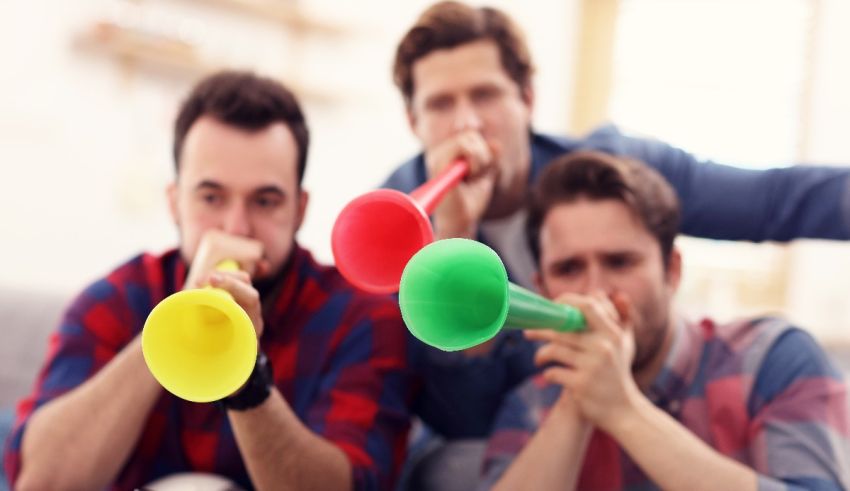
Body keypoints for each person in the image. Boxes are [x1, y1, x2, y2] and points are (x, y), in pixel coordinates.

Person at [383, 0, 850, 440]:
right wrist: (453, 235)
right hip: (524, 434)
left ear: (527, 99)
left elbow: (773, 202)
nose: (467, 124)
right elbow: (466, 421)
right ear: (412, 123)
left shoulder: (613, 166)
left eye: (485, 95)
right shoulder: (394, 227)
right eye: (440, 105)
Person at [4, 71, 413, 491]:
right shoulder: (115, 299)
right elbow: (41, 482)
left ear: (300, 210)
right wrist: (171, 332)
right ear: (174, 202)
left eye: (265, 201)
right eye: (211, 198)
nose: (236, 227)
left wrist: (245, 378)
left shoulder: (359, 316)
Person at [481, 150, 849, 490]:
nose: (596, 292)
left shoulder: (773, 358)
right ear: (543, 289)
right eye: (568, 269)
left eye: (620, 262)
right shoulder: (530, 403)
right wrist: (577, 402)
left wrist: (622, 409)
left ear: (672, 271)